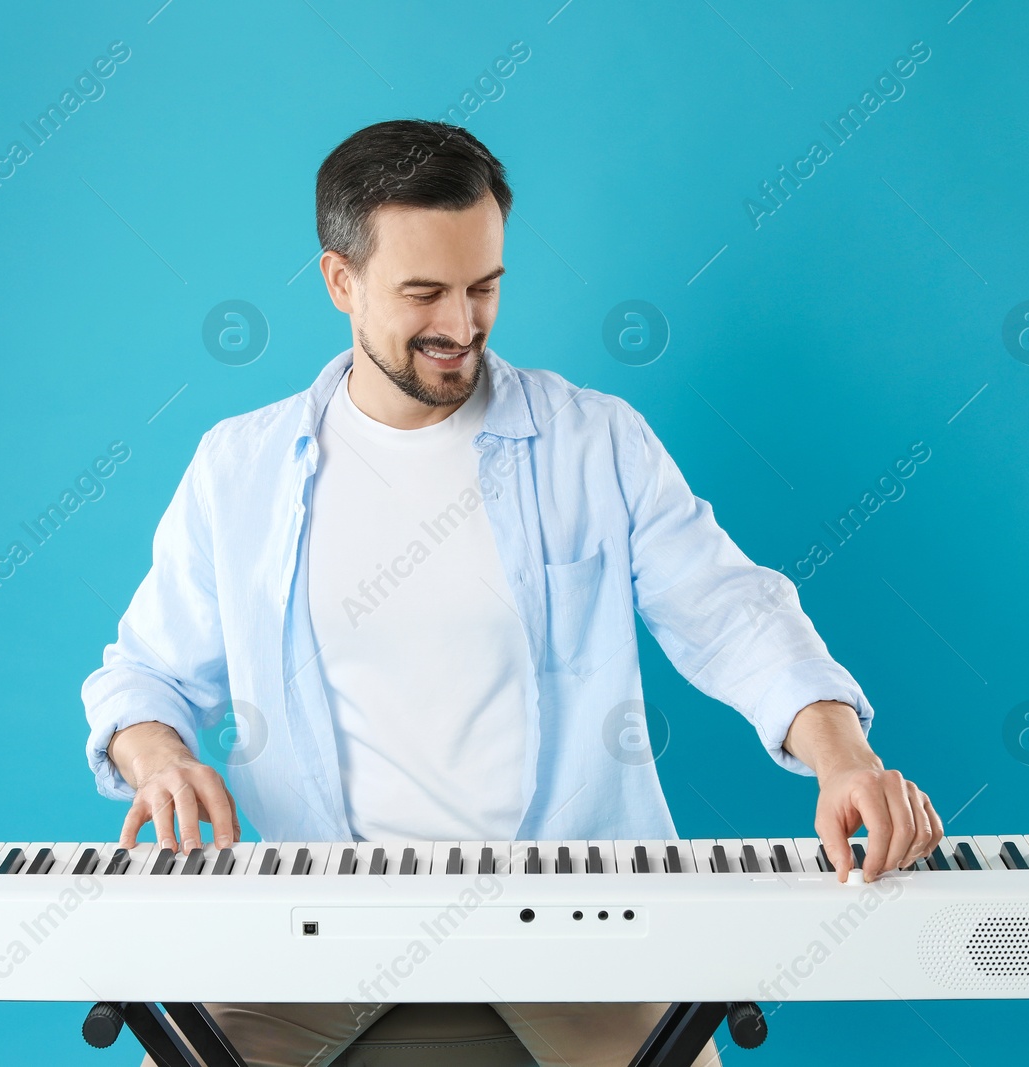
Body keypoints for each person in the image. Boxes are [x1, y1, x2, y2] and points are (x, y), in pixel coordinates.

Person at [82, 119, 944, 1067]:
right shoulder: (235, 468)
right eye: (423, 294)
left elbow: (733, 611)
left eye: (482, 287)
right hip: (309, 926)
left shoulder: (596, 441)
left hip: (583, 918)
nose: (460, 326)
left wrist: (842, 755)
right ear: (340, 282)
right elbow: (145, 675)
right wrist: (160, 757)